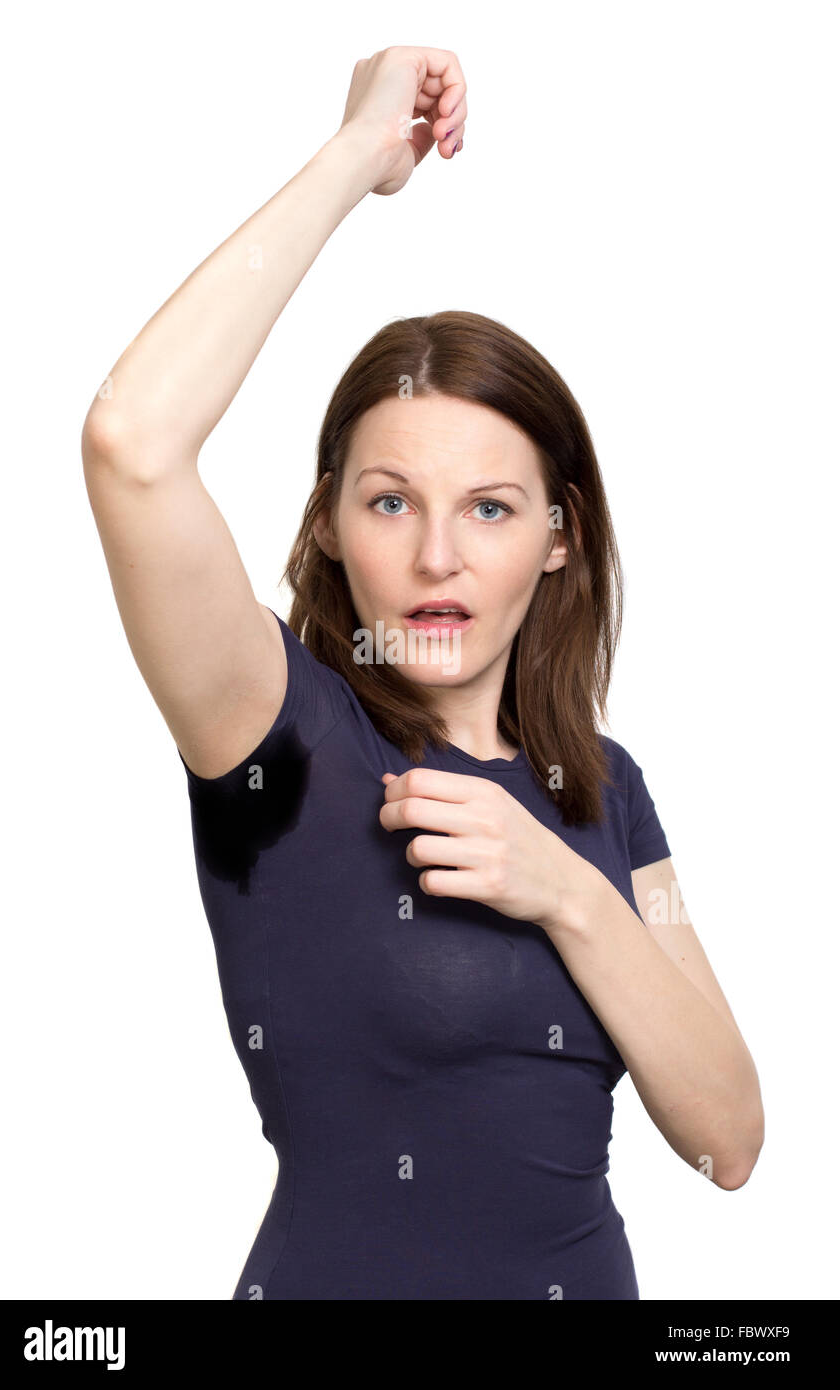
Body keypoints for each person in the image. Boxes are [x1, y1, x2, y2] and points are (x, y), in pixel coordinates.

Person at [81, 45, 764, 1300]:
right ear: (331, 523)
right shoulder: (276, 735)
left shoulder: (607, 793)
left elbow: (726, 1135)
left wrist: (564, 888)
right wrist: (354, 156)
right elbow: (130, 444)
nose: (439, 554)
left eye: (492, 509)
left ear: (558, 538)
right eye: (390, 501)